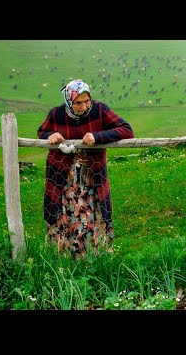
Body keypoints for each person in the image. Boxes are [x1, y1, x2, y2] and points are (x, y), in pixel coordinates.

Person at [37, 79, 134, 259]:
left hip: (91, 176)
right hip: (62, 177)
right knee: (62, 213)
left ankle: (95, 257)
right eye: (78, 103)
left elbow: (127, 130)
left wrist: (98, 136)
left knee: (92, 214)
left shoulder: (100, 110)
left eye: (87, 101)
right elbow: (42, 132)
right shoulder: (56, 114)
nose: (84, 107)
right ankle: (62, 257)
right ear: (68, 101)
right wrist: (52, 135)